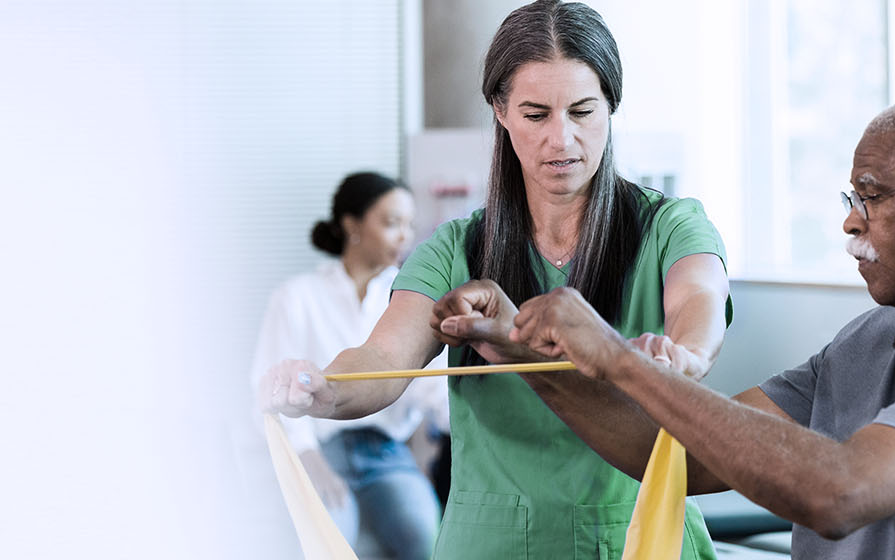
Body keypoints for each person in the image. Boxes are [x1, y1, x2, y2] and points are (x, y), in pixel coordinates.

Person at [497, 91, 895, 558]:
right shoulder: (874, 337)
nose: (851, 222)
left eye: (872, 197)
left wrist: (619, 359)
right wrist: (514, 351)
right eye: (850, 200)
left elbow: (840, 492)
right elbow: (674, 453)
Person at [259, 1, 731, 558]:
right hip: (491, 543)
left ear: (611, 105)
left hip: (640, 535)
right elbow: (382, 360)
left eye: (582, 111)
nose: (561, 139)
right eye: (536, 115)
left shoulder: (671, 226)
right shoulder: (454, 249)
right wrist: (319, 390)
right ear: (501, 110)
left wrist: (688, 353)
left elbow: (698, 294)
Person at [249, 172, 447, 560]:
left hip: (388, 454)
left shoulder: (412, 300)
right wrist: (308, 458)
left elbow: (431, 390)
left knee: (425, 534)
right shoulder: (296, 297)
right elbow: (266, 386)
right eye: (392, 224)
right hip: (322, 449)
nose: (405, 237)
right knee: (329, 541)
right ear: (352, 225)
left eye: (409, 225)